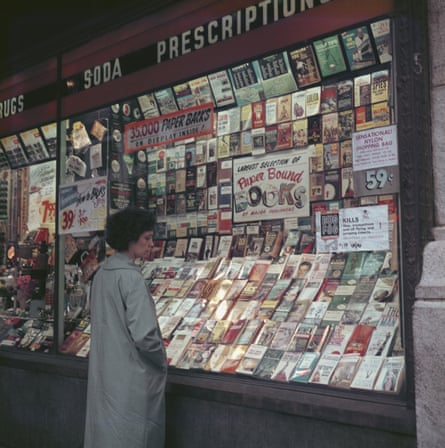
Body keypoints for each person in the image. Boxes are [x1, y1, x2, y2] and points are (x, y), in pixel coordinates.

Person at [84, 207, 167, 448]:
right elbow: (146, 334)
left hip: (105, 374)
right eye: (147, 238)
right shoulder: (131, 278)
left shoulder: (101, 275)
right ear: (131, 239)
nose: (151, 244)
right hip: (132, 378)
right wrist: (160, 359)